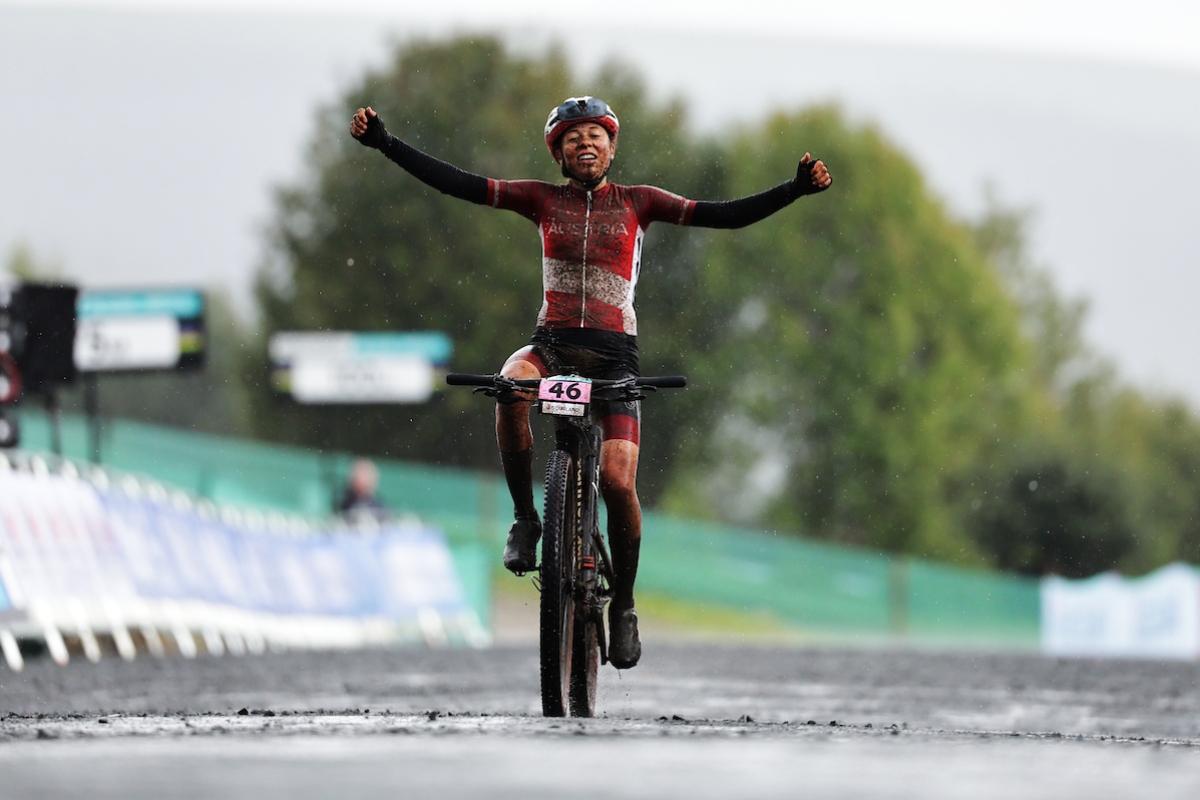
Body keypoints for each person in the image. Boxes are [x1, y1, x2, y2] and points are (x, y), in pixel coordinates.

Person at [352, 96, 831, 667]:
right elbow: (458, 183)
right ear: (557, 151)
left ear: (612, 146)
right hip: (552, 347)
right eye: (573, 138)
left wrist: (793, 190)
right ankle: (527, 520)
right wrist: (386, 144)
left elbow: (723, 216)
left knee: (617, 479)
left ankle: (623, 603)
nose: (586, 145)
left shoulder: (641, 203)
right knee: (510, 388)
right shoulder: (539, 199)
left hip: (614, 358)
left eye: (596, 137)